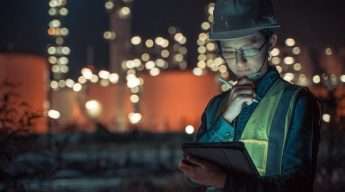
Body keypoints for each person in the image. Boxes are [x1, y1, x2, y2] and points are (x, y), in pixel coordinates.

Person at [178, 0, 321, 191]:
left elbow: (297, 186)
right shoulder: (217, 105)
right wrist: (226, 118)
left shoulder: (296, 102)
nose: (239, 62)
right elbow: (194, 172)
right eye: (228, 52)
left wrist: (223, 181)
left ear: (270, 42)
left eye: (249, 49)